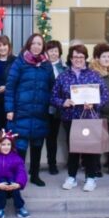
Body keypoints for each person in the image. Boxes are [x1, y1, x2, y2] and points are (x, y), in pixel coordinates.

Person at [51, 44, 109, 192]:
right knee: (73, 149)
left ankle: (91, 178)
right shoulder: (63, 76)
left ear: (85, 58)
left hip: (89, 118)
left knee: (90, 149)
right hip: (70, 118)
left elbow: (105, 95)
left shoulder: (93, 75)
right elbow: (53, 96)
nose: (78, 59)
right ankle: (71, 177)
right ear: (70, 58)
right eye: (75, 56)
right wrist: (63, 102)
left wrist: (95, 104)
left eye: (81, 57)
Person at [4, 33, 55, 187]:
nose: (36, 46)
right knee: (20, 146)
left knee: (37, 144)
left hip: (40, 111)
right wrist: (9, 109)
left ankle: (35, 174)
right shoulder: (20, 62)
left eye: (39, 44)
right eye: (33, 43)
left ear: (43, 47)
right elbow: (10, 87)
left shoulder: (46, 65)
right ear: (28, 44)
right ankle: (19, 176)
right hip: (21, 111)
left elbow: (52, 87)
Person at [89, 43, 109, 177]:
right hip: (99, 114)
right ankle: (95, 168)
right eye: (104, 56)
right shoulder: (93, 74)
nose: (107, 59)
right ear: (97, 58)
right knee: (97, 142)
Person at [0, 130, 31, 218]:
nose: (6, 147)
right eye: (3, 144)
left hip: (11, 183)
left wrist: (18, 183)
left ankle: (20, 207)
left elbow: (21, 171)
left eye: (8, 144)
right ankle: (0, 209)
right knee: (2, 187)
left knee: (15, 188)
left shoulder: (16, 158)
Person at [44, 40, 67, 175]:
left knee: (60, 135)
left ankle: (71, 163)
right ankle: (51, 163)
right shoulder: (42, 66)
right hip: (46, 107)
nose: (53, 53)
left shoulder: (64, 68)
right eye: (51, 50)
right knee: (49, 137)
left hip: (62, 107)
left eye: (55, 50)